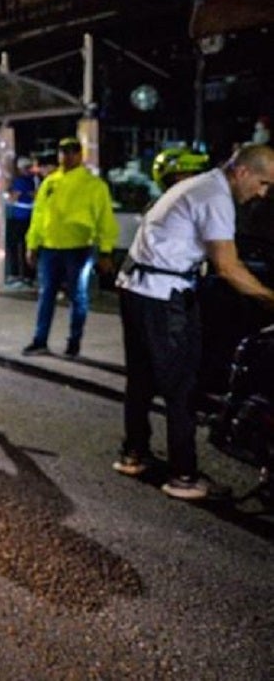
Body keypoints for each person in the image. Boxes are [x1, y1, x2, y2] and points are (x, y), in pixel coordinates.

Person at [114, 143, 274, 500]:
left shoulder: (199, 184)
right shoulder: (215, 196)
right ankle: (183, 476)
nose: (262, 193)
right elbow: (228, 266)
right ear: (243, 172)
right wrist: (268, 297)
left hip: (135, 288)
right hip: (162, 294)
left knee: (140, 379)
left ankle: (133, 454)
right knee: (181, 387)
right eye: (263, 183)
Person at [22, 137, 118, 358]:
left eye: (73, 151)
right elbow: (38, 216)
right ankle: (40, 340)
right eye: (63, 151)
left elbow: (105, 219)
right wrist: (32, 244)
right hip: (50, 247)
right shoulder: (49, 182)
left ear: (81, 154)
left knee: (78, 296)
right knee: (46, 295)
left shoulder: (94, 185)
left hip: (79, 248)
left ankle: (73, 343)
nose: (67, 156)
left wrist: (105, 250)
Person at [4, 155, 38, 287]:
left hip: (18, 217)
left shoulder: (20, 181)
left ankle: (15, 275)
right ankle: (29, 276)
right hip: (30, 217)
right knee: (27, 247)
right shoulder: (34, 180)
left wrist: (8, 195)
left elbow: (13, 198)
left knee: (14, 247)